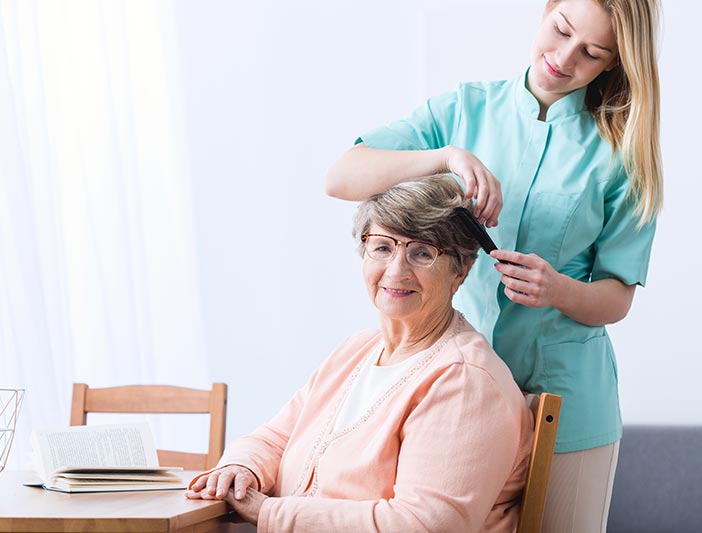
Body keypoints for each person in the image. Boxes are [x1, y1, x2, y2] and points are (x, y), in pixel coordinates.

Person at [324, 0, 662, 531]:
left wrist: (559, 290)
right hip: (455, 396)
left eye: (592, 52)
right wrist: (445, 157)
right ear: (546, 10)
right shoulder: (462, 110)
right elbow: (342, 177)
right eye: (561, 29)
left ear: (614, 64)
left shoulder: (622, 154)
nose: (564, 57)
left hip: (569, 406)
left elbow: (617, 297)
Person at [186, 175, 534, 532]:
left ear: (460, 270)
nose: (396, 270)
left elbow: (423, 525)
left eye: (422, 252)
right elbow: (276, 437)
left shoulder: (464, 380)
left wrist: (267, 512)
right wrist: (240, 468)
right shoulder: (356, 350)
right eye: (382, 247)